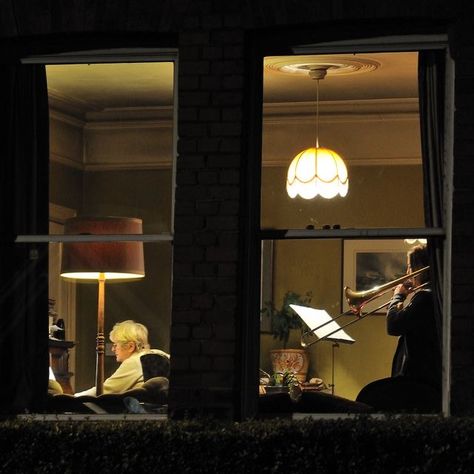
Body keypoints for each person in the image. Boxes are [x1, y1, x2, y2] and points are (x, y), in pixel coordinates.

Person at [356, 244, 442, 412]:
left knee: (370, 399)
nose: (408, 273)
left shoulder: (424, 297)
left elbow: (394, 326)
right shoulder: (428, 295)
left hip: (418, 380)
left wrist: (397, 296)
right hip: (420, 378)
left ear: (418, 268)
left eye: (409, 267)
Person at [75, 320, 169, 397]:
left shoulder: (134, 361)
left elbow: (104, 390)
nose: (113, 349)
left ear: (131, 346)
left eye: (115, 345)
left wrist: (73, 397)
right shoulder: (158, 354)